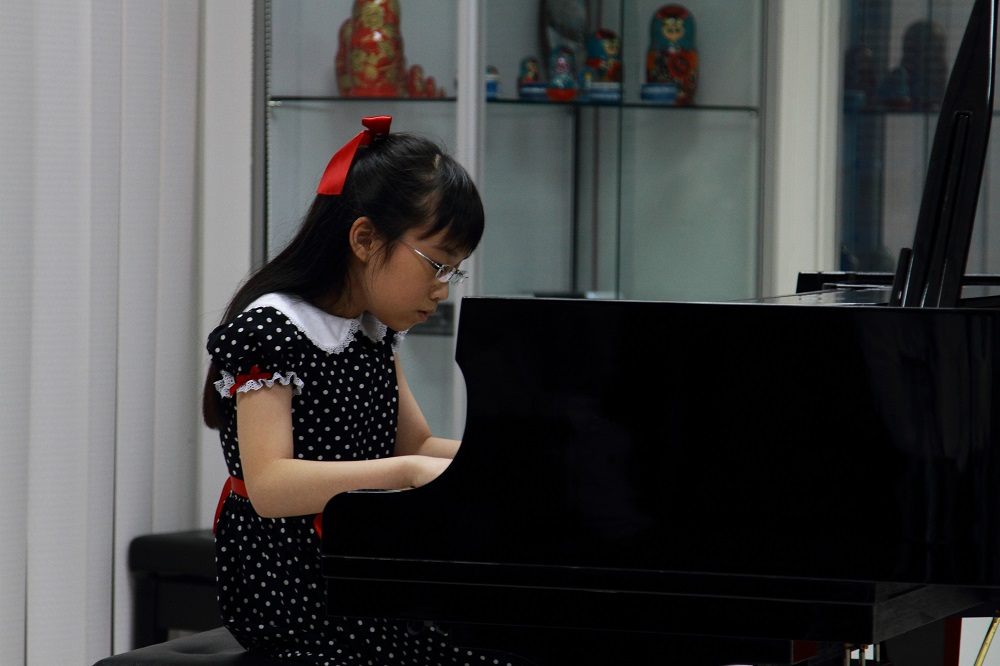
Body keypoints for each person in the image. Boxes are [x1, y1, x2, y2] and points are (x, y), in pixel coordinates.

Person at [202, 116, 529, 665]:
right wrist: (404, 473)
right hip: (291, 587)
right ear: (364, 239)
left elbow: (416, 445)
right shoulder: (272, 330)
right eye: (438, 264)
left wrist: (511, 461)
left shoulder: (370, 328)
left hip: (362, 566)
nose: (443, 290)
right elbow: (270, 485)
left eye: (455, 272)